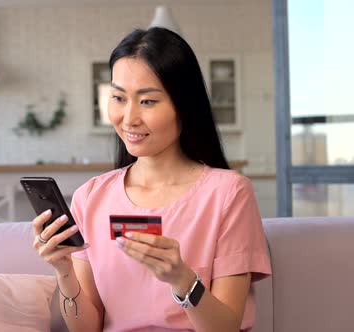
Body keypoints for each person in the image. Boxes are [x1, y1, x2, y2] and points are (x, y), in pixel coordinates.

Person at [31, 27, 271, 332]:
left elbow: (225, 328)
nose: (129, 118)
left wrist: (182, 279)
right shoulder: (90, 197)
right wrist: (63, 270)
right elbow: (86, 328)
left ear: (184, 107)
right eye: (119, 97)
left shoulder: (228, 193)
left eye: (147, 101)